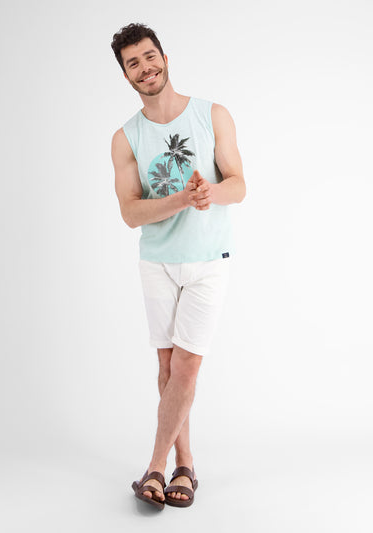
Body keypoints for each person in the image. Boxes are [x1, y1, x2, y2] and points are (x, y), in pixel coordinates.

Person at [111, 23, 246, 509]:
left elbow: (238, 184)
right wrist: (181, 199)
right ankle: (185, 466)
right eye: (133, 63)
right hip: (158, 262)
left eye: (150, 56)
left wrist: (209, 193)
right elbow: (131, 213)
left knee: (186, 367)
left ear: (164, 58)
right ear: (125, 74)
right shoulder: (125, 138)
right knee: (167, 367)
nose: (145, 68)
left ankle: (154, 467)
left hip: (209, 260)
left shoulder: (213, 114)